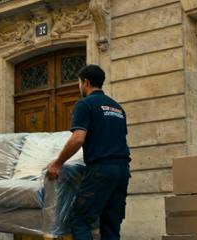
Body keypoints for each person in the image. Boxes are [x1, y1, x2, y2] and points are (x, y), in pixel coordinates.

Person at [46, 65, 130, 240]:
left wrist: (57, 163)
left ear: (86, 82)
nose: (79, 86)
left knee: (81, 221)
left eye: (79, 82)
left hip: (101, 170)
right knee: (111, 224)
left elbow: (78, 138)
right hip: (122, 171)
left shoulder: (84, 104)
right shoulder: (118, 108)